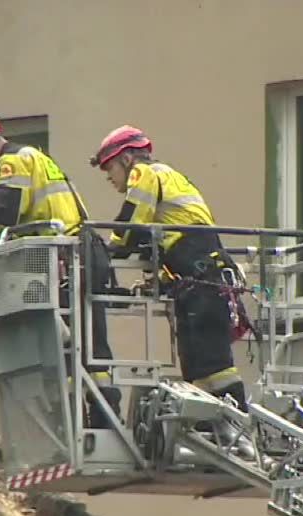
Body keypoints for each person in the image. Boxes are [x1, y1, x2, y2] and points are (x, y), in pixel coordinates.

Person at [0, 110, 122, 429]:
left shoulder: (11, 162)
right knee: (89, 346)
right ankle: (102, 421)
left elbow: (4, 212)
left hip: (64, 260)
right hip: (78, 253)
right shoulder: (32, 157)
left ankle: (75, 425)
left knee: (60, 346)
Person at [89, 125, 253, 427]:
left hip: (201, 282)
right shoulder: (170, 177)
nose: (110, 178)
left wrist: (102, 253)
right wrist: (159, 278)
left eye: (110, 168)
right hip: (200, 279)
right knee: (199, 369)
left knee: (213, 364)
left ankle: (237, 430)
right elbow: (165, 237)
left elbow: (131, 224)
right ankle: (215, 434)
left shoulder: (144, 173)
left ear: (126, 159)